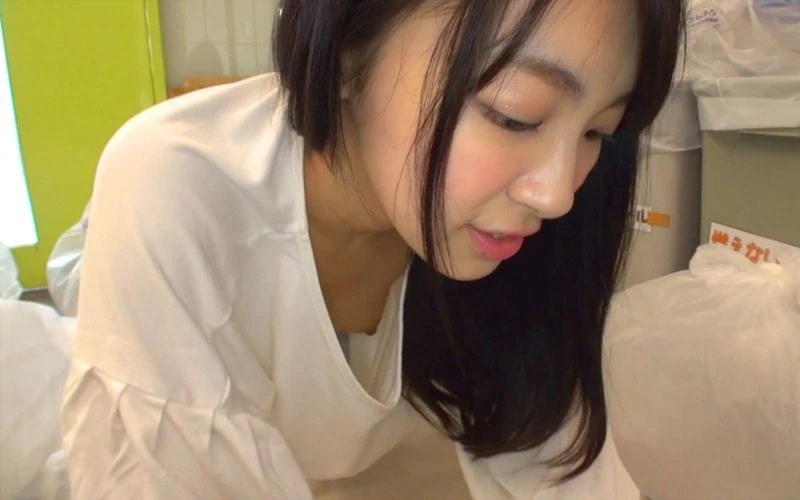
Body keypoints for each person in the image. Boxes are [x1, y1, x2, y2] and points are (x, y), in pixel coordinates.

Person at [61, 0, 685, 497]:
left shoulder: (504, 232)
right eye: (514, 115)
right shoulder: (177, 187)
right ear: (349, 56)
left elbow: (559, 458)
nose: (557, 195)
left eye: (598, 131)